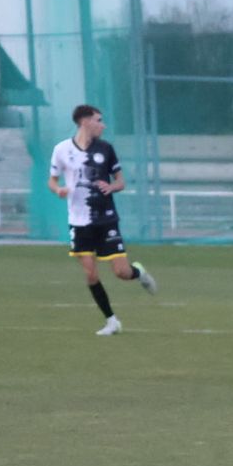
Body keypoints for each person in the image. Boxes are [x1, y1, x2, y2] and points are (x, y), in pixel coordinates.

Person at [48, 104, 157, 335]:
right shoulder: (61, 149)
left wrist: (112, 186)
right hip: (78, 222)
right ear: (85, 122)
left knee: (121, 273)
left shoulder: (106, 149)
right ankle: (112, 321)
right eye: (99, 120)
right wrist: (58, 190)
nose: (103, 124)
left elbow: (121, 181)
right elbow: (52, 180)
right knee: (90, 274)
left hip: (106, 219)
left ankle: (138, 272)